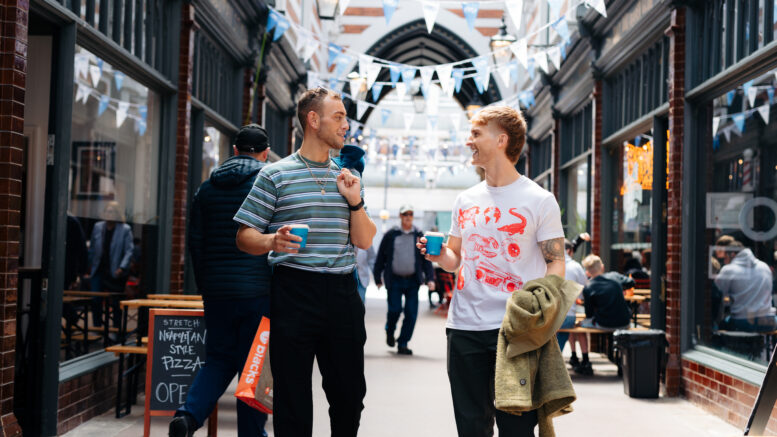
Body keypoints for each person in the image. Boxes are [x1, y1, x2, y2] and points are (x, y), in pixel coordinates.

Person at [234, 88, 377, 437]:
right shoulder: (274, 175)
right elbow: (243, 236)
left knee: (349, 395)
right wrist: (272, 240)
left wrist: (355, 201)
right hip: (294, 291)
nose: (346, 125)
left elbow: (364, 239)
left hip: (342, 292)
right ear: (313, 120)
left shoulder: (347, 176)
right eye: (339, 117)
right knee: (293, 398)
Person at [419, 106, 566, 436]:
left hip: (515, 331)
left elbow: (556, 260)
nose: (468, 140)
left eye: (475, 134)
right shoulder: (465, 200)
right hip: (465, 327)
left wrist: (540, 304)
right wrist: (439, 255)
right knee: (471, 427)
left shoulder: (539, 200)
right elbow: (455, 259)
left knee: (517, 427)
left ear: (501, 140)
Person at [169, 124, 272, 437]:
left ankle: (187, 417)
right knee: (253, 365)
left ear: (235, 151)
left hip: (217, 292)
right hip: (258, 291)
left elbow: (195, 243)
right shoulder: (268, 184)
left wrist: (206, 285)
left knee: (218, 359)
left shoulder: (206, 188)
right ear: (265, 152)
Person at [374, 205, 435, 355]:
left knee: (411, 313)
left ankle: (403, 343)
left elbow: (426, 259)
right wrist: (377, 277)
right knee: (394, 310)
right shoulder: (391, 235)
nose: (408, 216)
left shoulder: (419, 235)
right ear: (400, 216)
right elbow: (381, 257)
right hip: (394, 280)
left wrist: (430, 278)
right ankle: (390, 331)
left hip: (413, 281)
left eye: (411, 214)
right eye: (405, 214)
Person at [86, 201, 134, 328]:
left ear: (117, 214)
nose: (109, 213)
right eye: (107, 210)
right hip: (98, 270)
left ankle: (116, 329)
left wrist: (122, 267)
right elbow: (92, 249)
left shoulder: (124, 229)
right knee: (95, 300)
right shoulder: (98, 226)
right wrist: (88, 267)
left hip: (115, 271)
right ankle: (97, 327)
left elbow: (129, 251)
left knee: (115, 303)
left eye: (112, 211)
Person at [714, 238, 776, 332]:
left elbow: (717, 294)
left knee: (718, 326)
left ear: (732, 255)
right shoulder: (764, 267)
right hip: (767, 322)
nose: (725, 262)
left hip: (742, 321)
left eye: (725, 258)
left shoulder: (729, 270)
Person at [557, 238, 590, 374]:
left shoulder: (547, 264)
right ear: (569, 251)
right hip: (567, 317)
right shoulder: (576, 267)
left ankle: (556, 361)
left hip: (548, 316)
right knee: (572, 324)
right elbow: (585, 290)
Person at [580, 255, 633, 332]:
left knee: (581, 323)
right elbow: (631, 282)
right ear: (602, 267)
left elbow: (589, 314)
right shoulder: (615, 276)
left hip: (604, 324)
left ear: (587, 272)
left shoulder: (588, 287)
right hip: (625, 322)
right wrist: (621, 288)